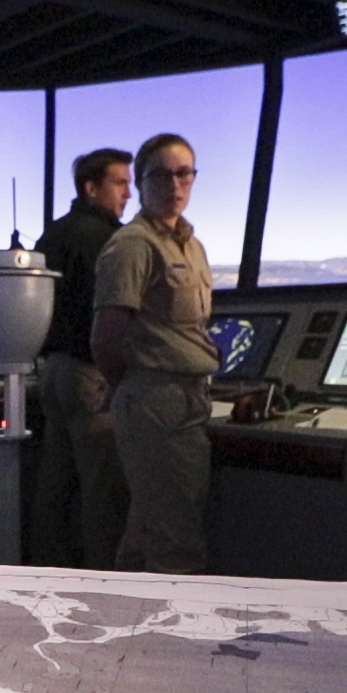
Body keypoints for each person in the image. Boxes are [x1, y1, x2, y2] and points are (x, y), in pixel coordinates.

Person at [90, 133, 220, 574]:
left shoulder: (191, 246)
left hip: (188, 397)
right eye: (161, 175)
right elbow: (107, 335)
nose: (175, 185)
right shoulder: (133, 245)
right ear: (141, 185)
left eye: (184, 174)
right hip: (155, 402)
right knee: (177, 542)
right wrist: (128, 385)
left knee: (147, 530)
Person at [31, 148, 133, 569]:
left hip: (53, 375)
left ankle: (45, 572)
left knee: (53, 490)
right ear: (91, 188)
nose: (129, 193)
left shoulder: (51, 236)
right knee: (100, 491)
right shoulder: (107, 242)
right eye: (120, 183)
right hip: (92, 375)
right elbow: (112, 315)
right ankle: (101, 582)